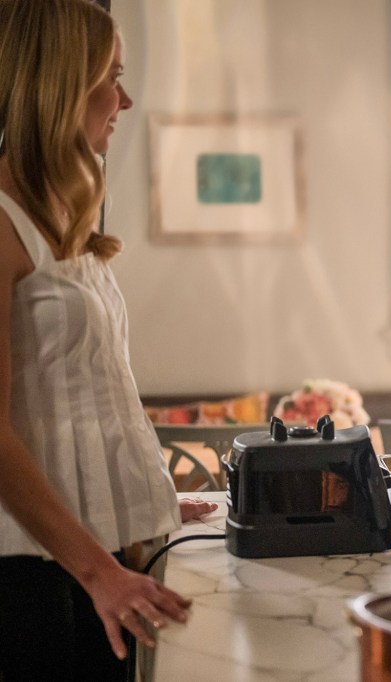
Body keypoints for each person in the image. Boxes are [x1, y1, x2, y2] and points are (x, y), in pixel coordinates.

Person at [0, 1, 213, 678]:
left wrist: (139, 495)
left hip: (85, 552)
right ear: (59, 86)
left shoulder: (66, 211)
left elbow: (81, 397)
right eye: (109, 78)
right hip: (29, 573)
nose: (123, 99)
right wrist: (99, 573)